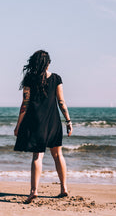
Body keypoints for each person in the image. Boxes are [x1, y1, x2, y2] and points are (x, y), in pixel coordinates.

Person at [14, 50, 73, 203]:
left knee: (37, 156)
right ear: (48, 63)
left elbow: (25, 104)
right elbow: (61, 102)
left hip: (35, 122)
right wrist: (68, 121)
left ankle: (34, 191)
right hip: (53, 122)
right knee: (58, 155)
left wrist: (18, 125)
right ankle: (64, 189)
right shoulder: (56, 78)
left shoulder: (29, 78)